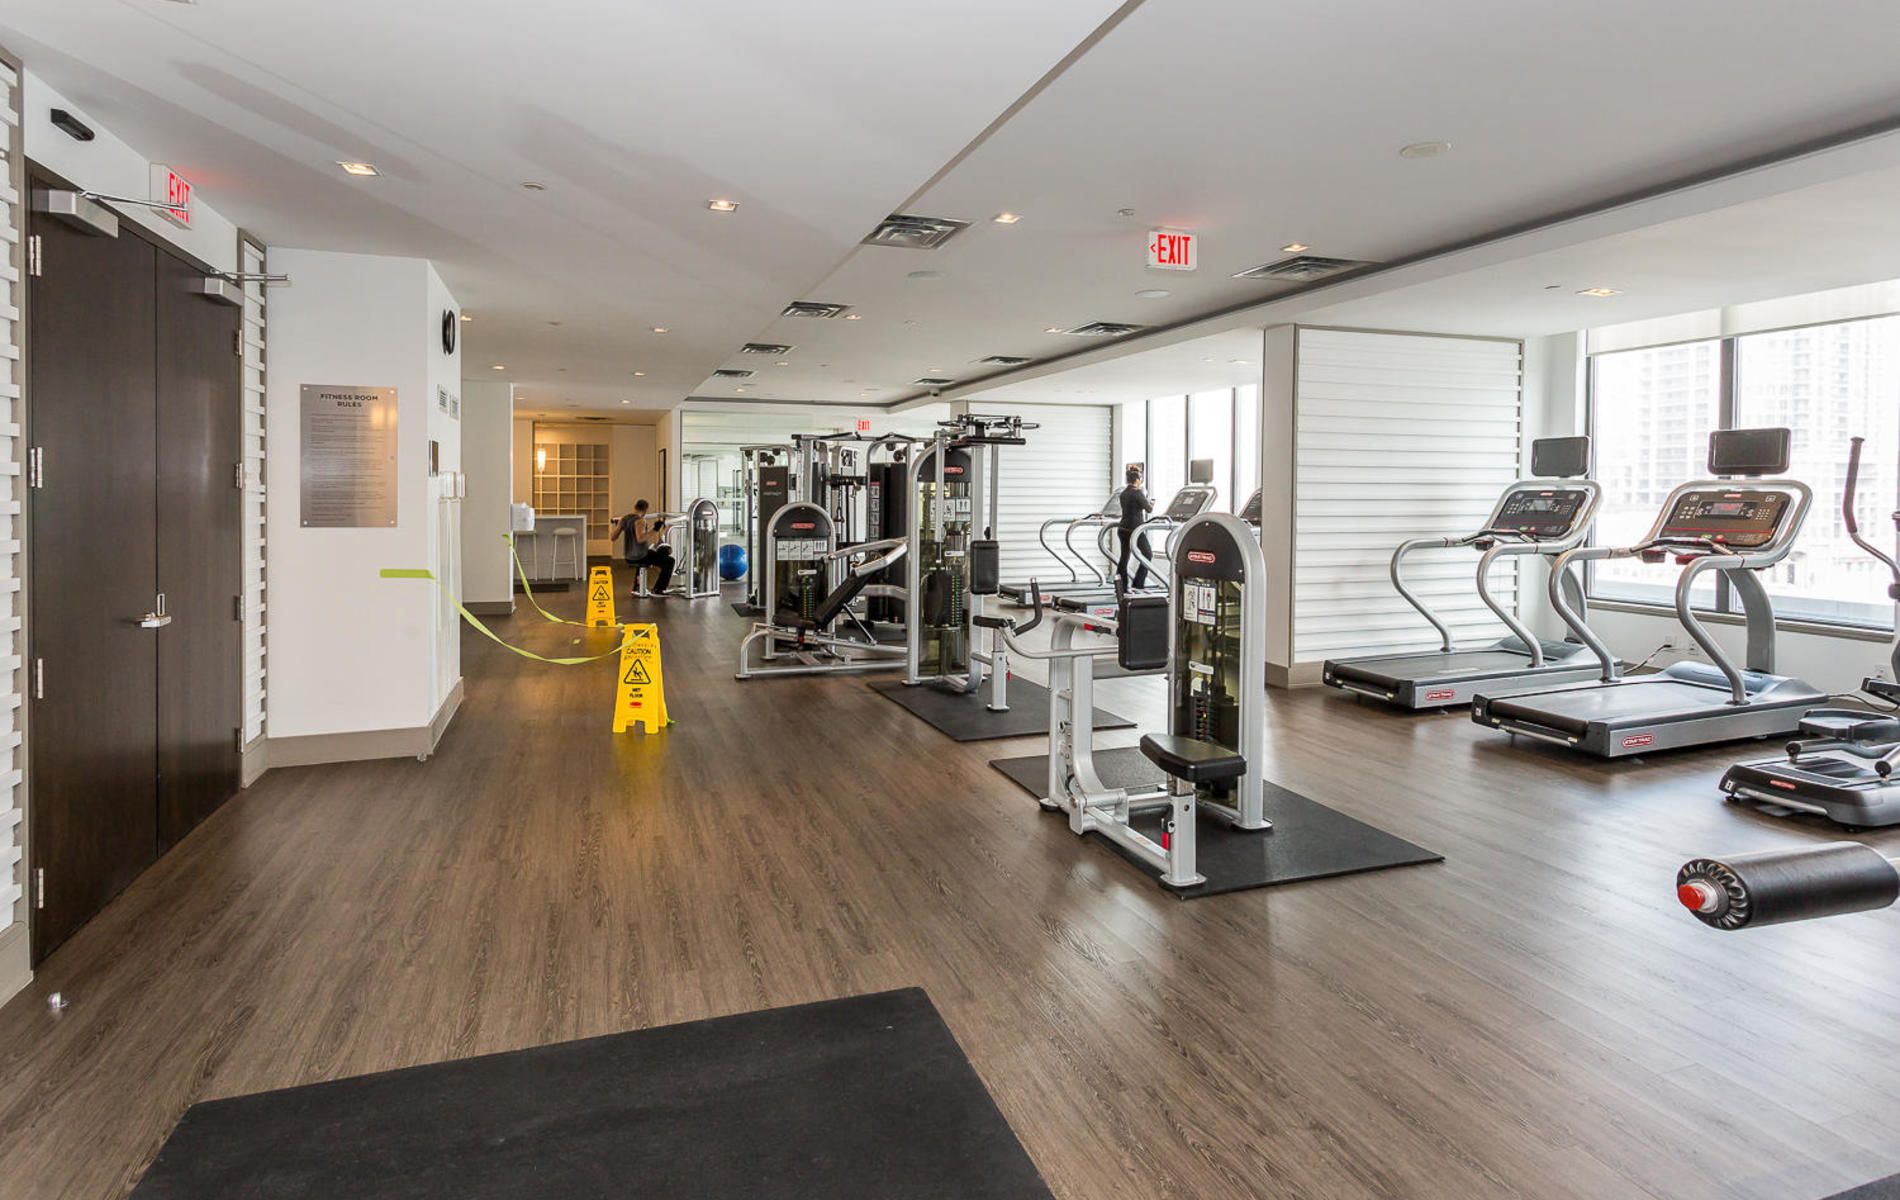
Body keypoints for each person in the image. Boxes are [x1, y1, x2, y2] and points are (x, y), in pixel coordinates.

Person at [614, 500, 676, 594]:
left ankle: (637, 587)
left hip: (628, 556)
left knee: (652, 554)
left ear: (635, 507)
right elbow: (640, 539)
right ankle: (659, 589)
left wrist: (620, 526)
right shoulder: (640, 521)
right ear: (645, 510)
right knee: (669, 561)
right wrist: (655, 529)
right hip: (640, 555)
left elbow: (613, 537)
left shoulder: (624, 519)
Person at [1116, 465, 1154, 593]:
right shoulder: (1138, 493)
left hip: (1123, 529)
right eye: (1140, 479)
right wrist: (1151, 502)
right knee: (1148, 554)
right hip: (1135, 530)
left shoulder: (1123, 493)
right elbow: (1149, 509)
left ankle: (1121, 587)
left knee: (1124, 558)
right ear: (1137, 480)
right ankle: (1138, 584)